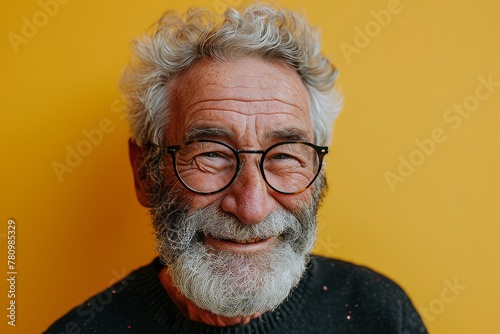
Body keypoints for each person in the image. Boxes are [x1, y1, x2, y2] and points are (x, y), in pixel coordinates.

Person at [46, 3, 427, 333]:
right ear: (145, 173)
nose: (251, 207)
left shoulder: (380, 315)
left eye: (283, 156)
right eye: (211, 154)